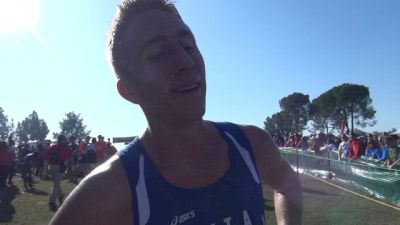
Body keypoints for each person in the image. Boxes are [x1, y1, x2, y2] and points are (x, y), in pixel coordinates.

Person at [49, 1, 302, 224]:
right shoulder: (107, 191)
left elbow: (288, 184)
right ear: (128, 90)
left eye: (189, 46)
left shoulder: (252, 145)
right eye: (158, 54)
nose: (186, 62)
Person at [44, 135, 72, 212]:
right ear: (63, 140)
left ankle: (60, 195)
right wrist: (67, 168)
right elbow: (68, 159)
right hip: (59, 167)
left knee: (56, 183)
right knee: (56, 184)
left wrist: (45, 170)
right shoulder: (66, 148)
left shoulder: (52, 147)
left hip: (51, 166)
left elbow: (46, 158)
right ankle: (52, 202)